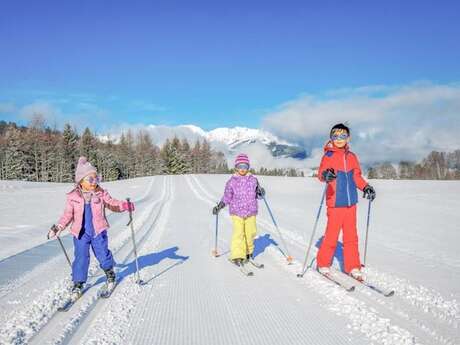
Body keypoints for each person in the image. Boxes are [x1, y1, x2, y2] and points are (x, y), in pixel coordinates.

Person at [48, 156, 135, 298]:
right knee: (81, 257)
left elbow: (112, 203)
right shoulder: (73, 196)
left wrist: (124, 205)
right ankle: (78, 283)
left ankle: (110, 273)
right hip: (80, 233)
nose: (95, 182)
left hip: (97, 231)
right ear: (81, 180)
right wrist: (59, 226)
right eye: (91, 179)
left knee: (102, 253)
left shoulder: (100, 193)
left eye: (96, 178)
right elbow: (67, 215)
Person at [316, 123, 376, 280]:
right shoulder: (328, 156)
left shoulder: (352, 157)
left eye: (342, 136)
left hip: (351, 204)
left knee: (351, 236)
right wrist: (326, 176)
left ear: (348, 138)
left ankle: (353, 266)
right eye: (335, 136)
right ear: (331, 138)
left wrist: (366, 187)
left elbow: (356, 176)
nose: (339, 139)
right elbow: (321, 174)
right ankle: (323, 263)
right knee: (332, 235)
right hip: (335, 202)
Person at [212, 153, 265, 267]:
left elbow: (258, 195)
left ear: (248, 167)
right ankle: (237, 255)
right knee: (239, 234)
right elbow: (227, 197)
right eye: (240, 166)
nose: (242, 169)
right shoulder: (232, 181)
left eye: (245, 166)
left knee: (250, 233)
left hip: (251, 212)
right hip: (237, 212)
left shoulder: (253, 180)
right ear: (236, 167)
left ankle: (248, 253)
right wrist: (220, 205)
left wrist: (261, 193)